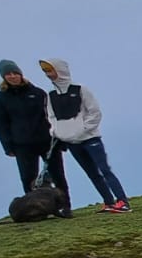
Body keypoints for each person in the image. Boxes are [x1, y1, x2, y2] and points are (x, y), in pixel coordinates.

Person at [38, 58, 132, 213]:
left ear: (60, 70)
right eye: (46, 71)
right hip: (71, 142)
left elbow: (94, 112)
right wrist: (58, 132)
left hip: (90, 139)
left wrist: (83, 129)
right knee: (92, 173)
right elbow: (51, 117)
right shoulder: (50, 96)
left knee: (104, 170)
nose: (48, 74)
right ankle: (108, 202)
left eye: (50, 70)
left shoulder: (81, 90)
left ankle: (123, 202)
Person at [0, 60, 71, 216]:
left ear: (21, 74)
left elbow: (53, 117)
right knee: (29, 178)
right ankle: (36, 210)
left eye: (15, 73)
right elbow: (1, 124)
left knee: (58, 176)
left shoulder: (38, 93)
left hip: (47, 142)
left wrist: (61, 140)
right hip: (22, 145)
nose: (12, 76)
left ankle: (65, 207)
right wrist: (8, 147)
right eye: (8, 74)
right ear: (4, 77)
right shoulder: (1, 98)